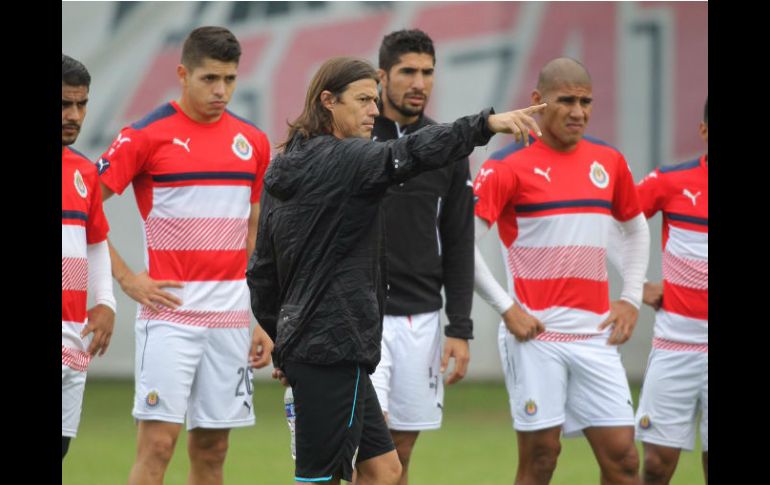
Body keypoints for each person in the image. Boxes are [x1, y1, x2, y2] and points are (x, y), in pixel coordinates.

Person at [247, 56, 545, 485]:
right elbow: (411, 151)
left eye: (375, 98)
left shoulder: (284, 165)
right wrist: (485, 125)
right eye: (364, 99)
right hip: (335, 347)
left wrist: (286, 338)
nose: (375, 109)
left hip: (318, 346)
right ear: (328, 101)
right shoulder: (351, 159)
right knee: (321, 479)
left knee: (385, 470)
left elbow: (262, 272)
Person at [96, 26, 274, 485]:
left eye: (230, 79)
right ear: (182, 74)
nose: (221, 91)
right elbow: (81, 208)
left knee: (213, 450)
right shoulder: (145, 135)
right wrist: (126, 278)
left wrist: (262, 316)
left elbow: (255, 232)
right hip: (171, 314)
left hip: (231, 315)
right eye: (209, 78)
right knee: (157, 445)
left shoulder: (252, 142)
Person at [473, 57, 650, 484]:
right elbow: (462, 245)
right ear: (538, 101)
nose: (578, 111)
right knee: (541, 459)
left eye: (585, 101)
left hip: (596, 336)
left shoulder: (608, 160)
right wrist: (506, 308)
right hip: (536, 337)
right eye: (566, 100)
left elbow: (636, 230)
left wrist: (630, 298)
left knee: (624, 461)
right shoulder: (506, 165)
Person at [369, 29, 473, 484]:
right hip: (360, 315)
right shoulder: (354, 137)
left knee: (401, 453)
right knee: (367, 452)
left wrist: (460, 327)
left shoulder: (448, 145)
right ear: (381, 76)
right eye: (408, 71)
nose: (420, 83)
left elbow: (458, 240)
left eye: (428, 72)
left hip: (423, 322)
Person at [633, 99, 708, 485]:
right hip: (676, 345)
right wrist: (636, 285)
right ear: (703, 132)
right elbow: (617, 220)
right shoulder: (671, 180)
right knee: (658, 467)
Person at [62, 54, 116, 460]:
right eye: (65, 104)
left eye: (81, 104)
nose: (75, 115)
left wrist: (106, 302)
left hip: (72, 338)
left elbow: (95, 242)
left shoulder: (84, 171)